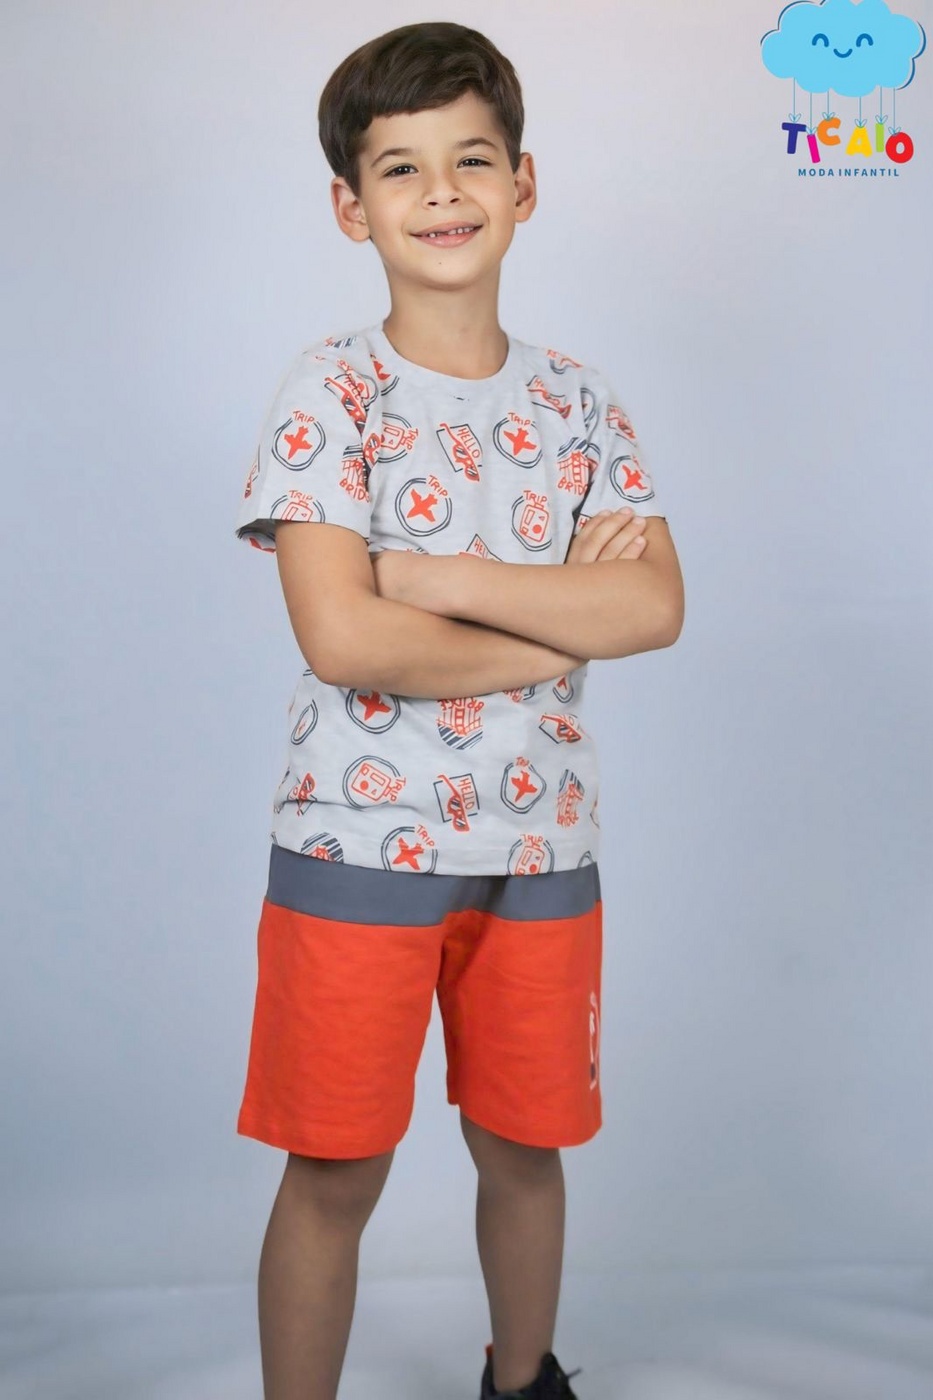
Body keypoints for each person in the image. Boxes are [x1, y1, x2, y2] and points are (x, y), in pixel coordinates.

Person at [233, 20, 684, 1400]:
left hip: (541, 846)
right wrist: (557, 615)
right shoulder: (331, 393)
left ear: (522, 184)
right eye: (401, 169)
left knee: (524, 1145)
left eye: (471, 160)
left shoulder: (582, 404)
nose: (441, 194)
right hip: (356, 849)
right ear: (349, 206)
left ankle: (522, 1379)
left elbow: (653, 609)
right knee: (335, 1166)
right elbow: (343, 638)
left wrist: (434, 578)